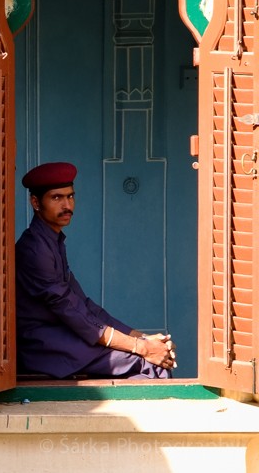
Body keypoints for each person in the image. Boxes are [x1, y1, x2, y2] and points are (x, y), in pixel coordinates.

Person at [15, 161, 175, 379]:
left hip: (64, 336)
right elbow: (71, 311)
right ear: (35, 202)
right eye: (56, 198)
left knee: (151, 359)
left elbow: (85, 305)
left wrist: (142, 338)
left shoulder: (52, 241)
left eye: (70, 196)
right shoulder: (34, 250)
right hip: (42, 347)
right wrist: (141, 347)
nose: (67, 205)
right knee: (149, 366)